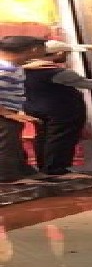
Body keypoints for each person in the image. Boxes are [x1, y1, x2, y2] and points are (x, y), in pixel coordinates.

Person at [22, 41, 92, 179]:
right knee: (61, 139)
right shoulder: (59, 73)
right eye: (67, 53)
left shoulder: (24, 68)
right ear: (59, 53)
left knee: (43, 137)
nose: (68, 55)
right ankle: (56, 170)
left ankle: (45, 168)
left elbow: (67, 47)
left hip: (34, 108)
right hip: (61, 110)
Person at [0, 35, 56, 185]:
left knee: (14, 142)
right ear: (35, 49)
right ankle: (7, 176)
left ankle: (23, 171)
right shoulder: (5, 69)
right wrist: (6, 113)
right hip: (4, 113)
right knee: (7, 143)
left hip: (10, 111)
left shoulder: (11, 66)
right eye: (44, 49)